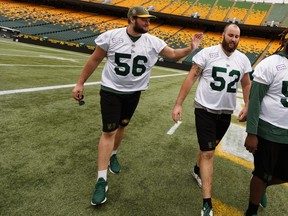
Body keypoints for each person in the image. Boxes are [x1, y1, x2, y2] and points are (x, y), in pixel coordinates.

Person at [72, 6, 203, 206]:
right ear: (132, 19)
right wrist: (80, 82)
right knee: (108, 131)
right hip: (111, 91)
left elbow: (174, 54)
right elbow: (95, 59)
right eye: (144, 20)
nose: (148, 23)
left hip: (133, 93)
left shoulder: (152, 41)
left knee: (122, 126)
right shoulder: (111, 36)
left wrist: (191, 48)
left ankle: (113, 155)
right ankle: (101, 180)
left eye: (148, 20)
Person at [172, 23, 252, 215]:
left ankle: (196, 169)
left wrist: (248, 105)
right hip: (205, 109)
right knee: (208, 153)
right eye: (230, 35)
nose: (233, 39)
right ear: (223, 35)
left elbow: (247, 83)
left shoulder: (243, 59)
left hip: (225, 112)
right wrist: (178, 103)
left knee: (208, 147)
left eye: (237, 36)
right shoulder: (207, 54)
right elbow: (191, 77)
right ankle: (206, 203)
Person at [244, 29, 288, 216]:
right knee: (262, 173)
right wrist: (251, 132)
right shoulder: (270, 63)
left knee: (279, 175)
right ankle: (251, 211)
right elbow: (255, 100)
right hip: (268, 129)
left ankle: (262, 186)